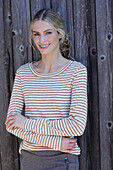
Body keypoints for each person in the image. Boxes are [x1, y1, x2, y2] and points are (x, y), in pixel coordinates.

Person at [5, 8, 87, 170]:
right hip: (30, 158)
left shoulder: (76, 71)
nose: (42, 40)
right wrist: (55, 142)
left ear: (60, 34)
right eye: (36, 34)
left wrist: (26, 123)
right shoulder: (23, 73)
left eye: (48, 32)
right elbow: (12, 124)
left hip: (63, 159)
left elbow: (77, 125)